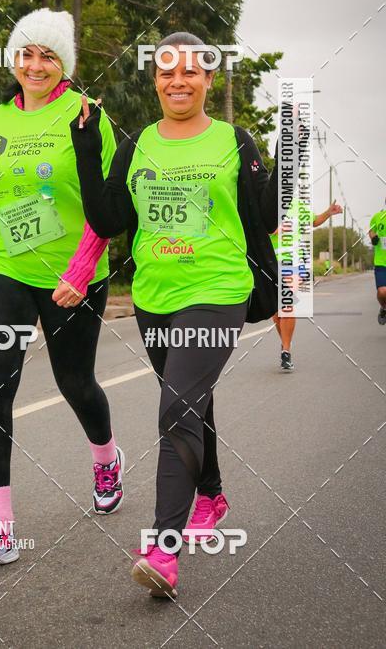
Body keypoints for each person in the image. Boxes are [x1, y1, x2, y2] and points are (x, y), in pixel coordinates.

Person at [70, 31, 280, 599]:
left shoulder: (236, 140)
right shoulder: (138, 143)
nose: (178, 81)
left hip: (217, 290)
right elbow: (110, 218)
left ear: (209, 79)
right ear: (155, 80)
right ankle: (209, 493)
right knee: (191, 402)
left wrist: (284, 162)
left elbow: (268, 215)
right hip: (154, 296)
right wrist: (88, 151)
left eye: (191, 71)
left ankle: (163, 549)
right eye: (167, 72)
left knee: (176, 407)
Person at [0, 8, 124, 579]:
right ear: (14, 59)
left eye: (47, 54)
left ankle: (106, 458)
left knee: (76, 383)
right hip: (4, 268)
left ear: (63, 62)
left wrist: (84, 268)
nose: (35, 65)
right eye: (26, 53)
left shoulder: (87, 115)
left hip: (71, 276)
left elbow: (106, 202)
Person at [271, 200, 342, 370]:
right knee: (275, 313)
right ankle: (285, 344)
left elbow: (313, 221)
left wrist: (328, 212)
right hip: (272, 261)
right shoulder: (267, 203)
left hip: (295, 262)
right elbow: (255, 228)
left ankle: (286, 351)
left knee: (286, 304)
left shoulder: (299, 204)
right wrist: (270, 231)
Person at [369, 201, 386, 324]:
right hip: (381, 262)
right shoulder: (377, 217)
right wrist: (373, 236)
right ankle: (384, 307)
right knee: (382, 291)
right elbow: (371, 230)